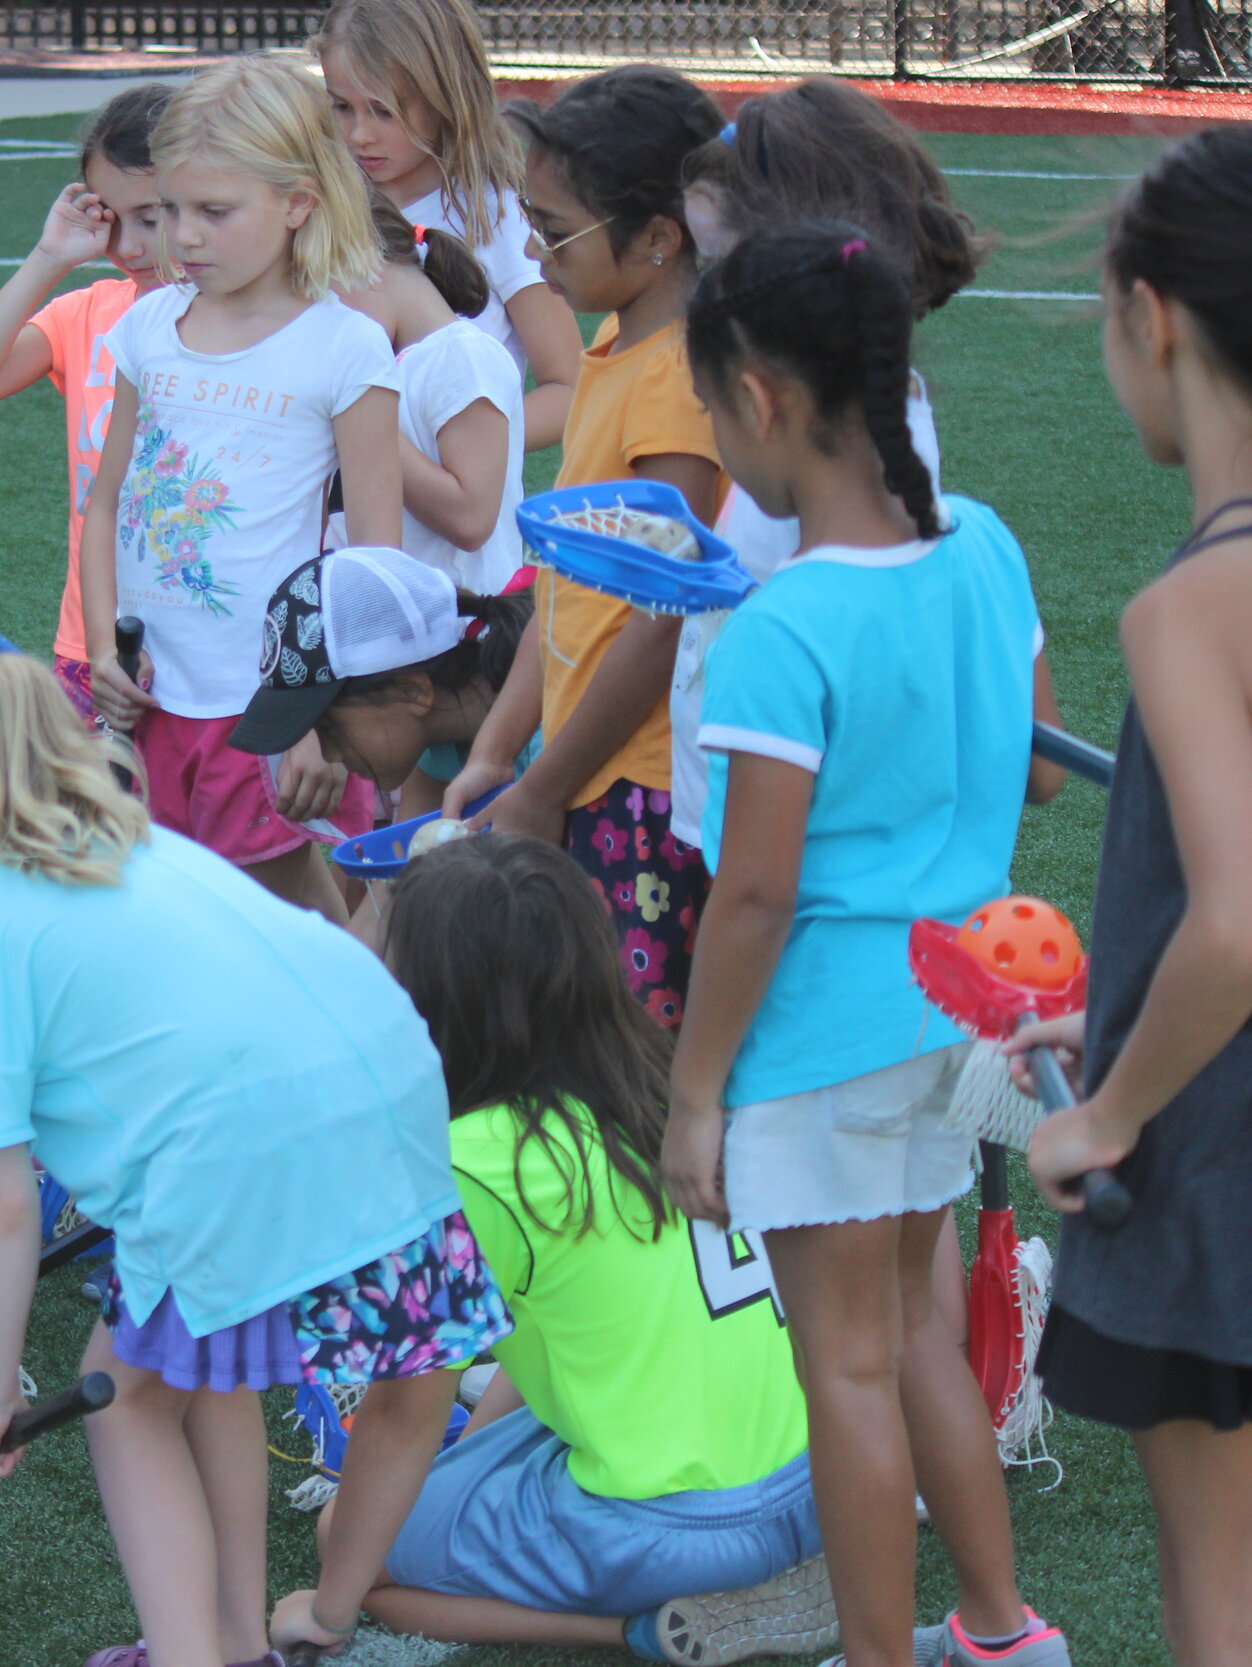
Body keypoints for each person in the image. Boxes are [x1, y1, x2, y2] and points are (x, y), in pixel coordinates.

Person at [0, 624, 510, 1667]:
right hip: (392, 1097)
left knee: (126, 1400)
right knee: (195, 1371)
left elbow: (1, 1195)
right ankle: (236, 1642)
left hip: (239, 1154)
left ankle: (195, 1653)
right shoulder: (140, 842)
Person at [662, 222, 1068, 1667]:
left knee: (843, 1359)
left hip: (823, 1033)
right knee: (913, 1325)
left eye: (713, 407)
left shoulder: (786, 621)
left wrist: (697, 1089)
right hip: (959, 1017)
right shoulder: (992, 546)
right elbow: (1025, 766)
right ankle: (1005, 1631)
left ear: (761, 400)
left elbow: (755, 895)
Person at [285, 832, 830, 1664]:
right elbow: (549, 1326)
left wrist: (328, 1611)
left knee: (355, 1547)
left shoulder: (471, 1159)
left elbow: (401, 1414)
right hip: (820, 1473)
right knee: (450, 1474)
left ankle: (641, 1629)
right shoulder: (656, 1072)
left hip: (685, 1527)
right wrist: (460, 1471)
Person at [1004, 127, 1252, 1667]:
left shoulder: (1189, 602)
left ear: (1151, 318)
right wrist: (1140, 991)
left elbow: (1237, 919)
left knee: (1220, 1586)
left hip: (1216, 1173)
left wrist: (1105, 1108)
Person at [82, 54, 402, 925]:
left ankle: (368, 1049)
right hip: (148, 699)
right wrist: (104, 653)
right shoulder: (147, 327)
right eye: (171, 210)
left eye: (213, 212)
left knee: (285, 923)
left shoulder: (345, 349)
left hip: (264, 710)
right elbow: (108, 500)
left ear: (297, 202)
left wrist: (315, 716)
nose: (182, 236)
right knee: (172, 921)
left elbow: (374, 564)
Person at [442, 66, 726, 1031]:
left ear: (659, 237)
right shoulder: (612, 348)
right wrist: (495, 752)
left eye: (554, 226)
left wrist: (545, 785)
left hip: (640, 789)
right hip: (575, 769)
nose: (532, 244)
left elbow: (661, 621)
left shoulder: (682, 380)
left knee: (637, 1067)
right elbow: (563, 594)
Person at [668, 77, 998, 864]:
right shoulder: (859, 432)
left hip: (769, 854)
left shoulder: (819, 484)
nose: (704, 302)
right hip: (742, 825)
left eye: (720, 267)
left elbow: (758, 892)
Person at [0, 83, 177, 719]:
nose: (126, 247)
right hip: (90, 644)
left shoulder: (248, 331)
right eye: (111, 221)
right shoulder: (88, 314)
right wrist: (50, 258)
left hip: (209, 646)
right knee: (88, 817)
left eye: (151, 219)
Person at [310, 0, 580, 449]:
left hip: (452, 507)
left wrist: (462, 446)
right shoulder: (318, 202)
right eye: (342, 106)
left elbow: (568, 388)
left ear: (446, 96)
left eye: (384, 110)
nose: (359, 134)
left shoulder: (494, 216)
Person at [227, 545, 530, 944]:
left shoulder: (547, 734)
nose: (328, 755)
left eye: (330, 728)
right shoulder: (441, 747)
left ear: (412, 691)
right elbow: (392, 896)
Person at [336, 190, 529, 597]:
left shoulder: (460, 356)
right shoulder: (388, 363)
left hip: (460, 631)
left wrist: (356, 417)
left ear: (366, 264)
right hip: (395, 621)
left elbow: (471, 518)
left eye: (317, 292)